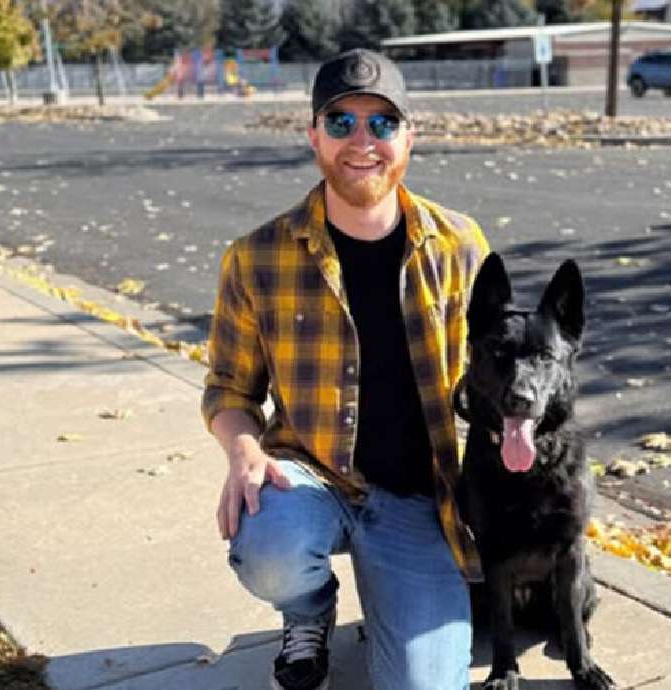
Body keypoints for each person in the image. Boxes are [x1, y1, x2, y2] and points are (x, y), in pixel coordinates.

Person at [202, 49, 489, 690]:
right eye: (342, 123)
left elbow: (493, 376)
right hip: (312, 477)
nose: (363, 142)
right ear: (313, 136)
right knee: (271, 546)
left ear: (410, 135)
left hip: (421, 497)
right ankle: (307, 612)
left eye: (383, 123)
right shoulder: (256, 259)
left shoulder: (461, 245)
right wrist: (243, 449)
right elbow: (228, 387)